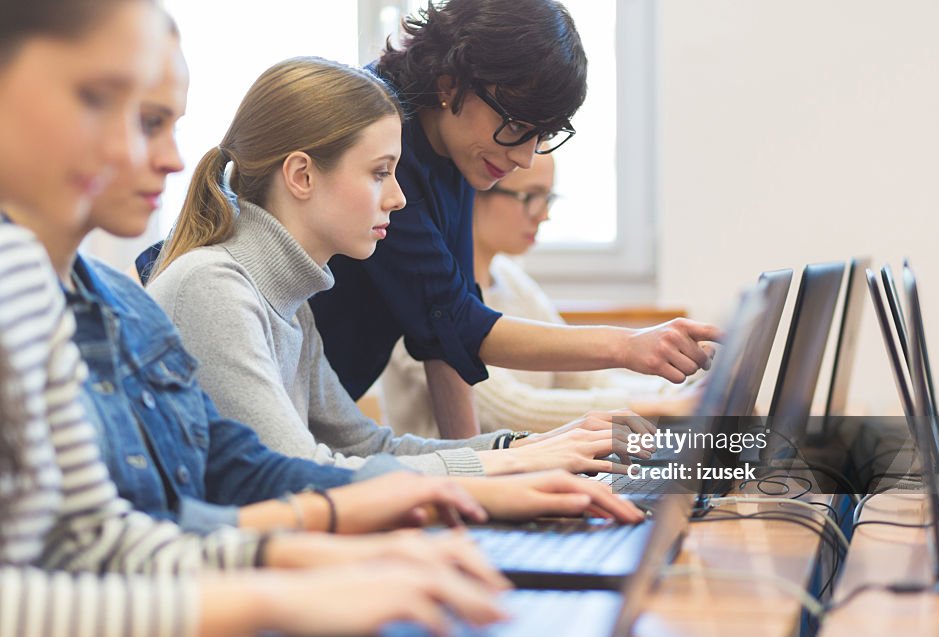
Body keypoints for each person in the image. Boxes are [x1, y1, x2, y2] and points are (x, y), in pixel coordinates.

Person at [0, 1, 508, 637]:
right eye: (102, 101)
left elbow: (104, 546)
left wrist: (310, 560)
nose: (158, 157)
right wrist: (277, 595)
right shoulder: (203, 285)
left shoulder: (31, 280)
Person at [146, 55, 655, 478]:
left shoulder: (289, 303)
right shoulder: (214, 287)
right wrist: (513, 463)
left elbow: (367, 446)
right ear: (301, 175)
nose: (398, 197)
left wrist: (519, 448)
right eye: (379, 173)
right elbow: (299, 475)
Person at [301, 0, 721, 439]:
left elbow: (448, 338)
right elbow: (459, 323)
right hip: (280, 408)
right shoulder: (386, 140)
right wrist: (627, 346)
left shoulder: (454, 145)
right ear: (450, 84)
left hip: (316, 412)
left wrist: (477, 478)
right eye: (517, 126)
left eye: (543, 135)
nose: (523, 157)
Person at [382, 153, 706, 436]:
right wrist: (661, 408)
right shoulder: (422, 291)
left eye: (549, 198)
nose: (544, 214)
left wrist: (684, 391)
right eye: (530, 196)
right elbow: (510, 412)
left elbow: (584, 381)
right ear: (476, 193)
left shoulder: (511, 279)